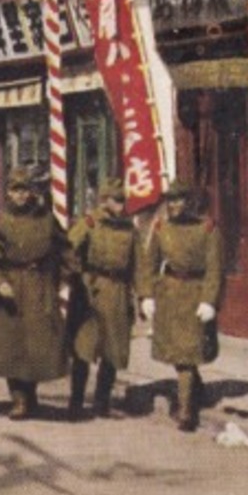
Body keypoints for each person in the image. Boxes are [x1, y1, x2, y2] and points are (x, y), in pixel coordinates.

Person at [0, 164, 73, 420]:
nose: (20, 195)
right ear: (8, 193)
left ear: (32, 192)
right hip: (10, 286)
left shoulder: (46, 218)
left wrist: (67, 277)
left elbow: (65, 248)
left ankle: (30, 393)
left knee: (38, 344)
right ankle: (18, 398)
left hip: (40, 286)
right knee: (12, 344)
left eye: (25, 190)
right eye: (15, 190)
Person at [138, 178, 224, 433]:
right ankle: (195, 389)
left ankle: (187, 411)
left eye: (180, 199)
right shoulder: (161, 228)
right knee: (179, 353)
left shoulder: (207, 229)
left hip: (195, 295)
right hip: (169, 295)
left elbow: (215, 270)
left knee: (187, 353)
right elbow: (149, 264)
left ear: (190, 201)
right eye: (171, 200)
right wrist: (147, 295)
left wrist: (210, 300)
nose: (175, 205)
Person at [66, 177, 141, 420]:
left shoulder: (130, 229)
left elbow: (138, 265)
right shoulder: (89, 223)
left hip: (118, 291)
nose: (119, 204)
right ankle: (76, 400)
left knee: (112, 349)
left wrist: (143, 297)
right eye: (114, 199)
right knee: (83, 348)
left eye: (122, 199)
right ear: (104, 200)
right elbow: (68, 248)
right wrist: (76, 276)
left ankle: (102, 400)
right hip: (91, 290)